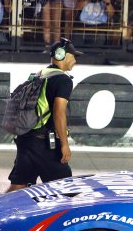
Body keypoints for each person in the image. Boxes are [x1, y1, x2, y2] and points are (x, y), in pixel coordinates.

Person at [6, 38, 82, 192]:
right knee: (66, 189)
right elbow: (59, 112)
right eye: (74, 56)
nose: (75, 60)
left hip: (26, 139)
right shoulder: (63, 80)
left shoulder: (40, 74)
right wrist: (65, 144)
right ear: (62, 55)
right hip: (44, 144)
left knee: (18, 187)